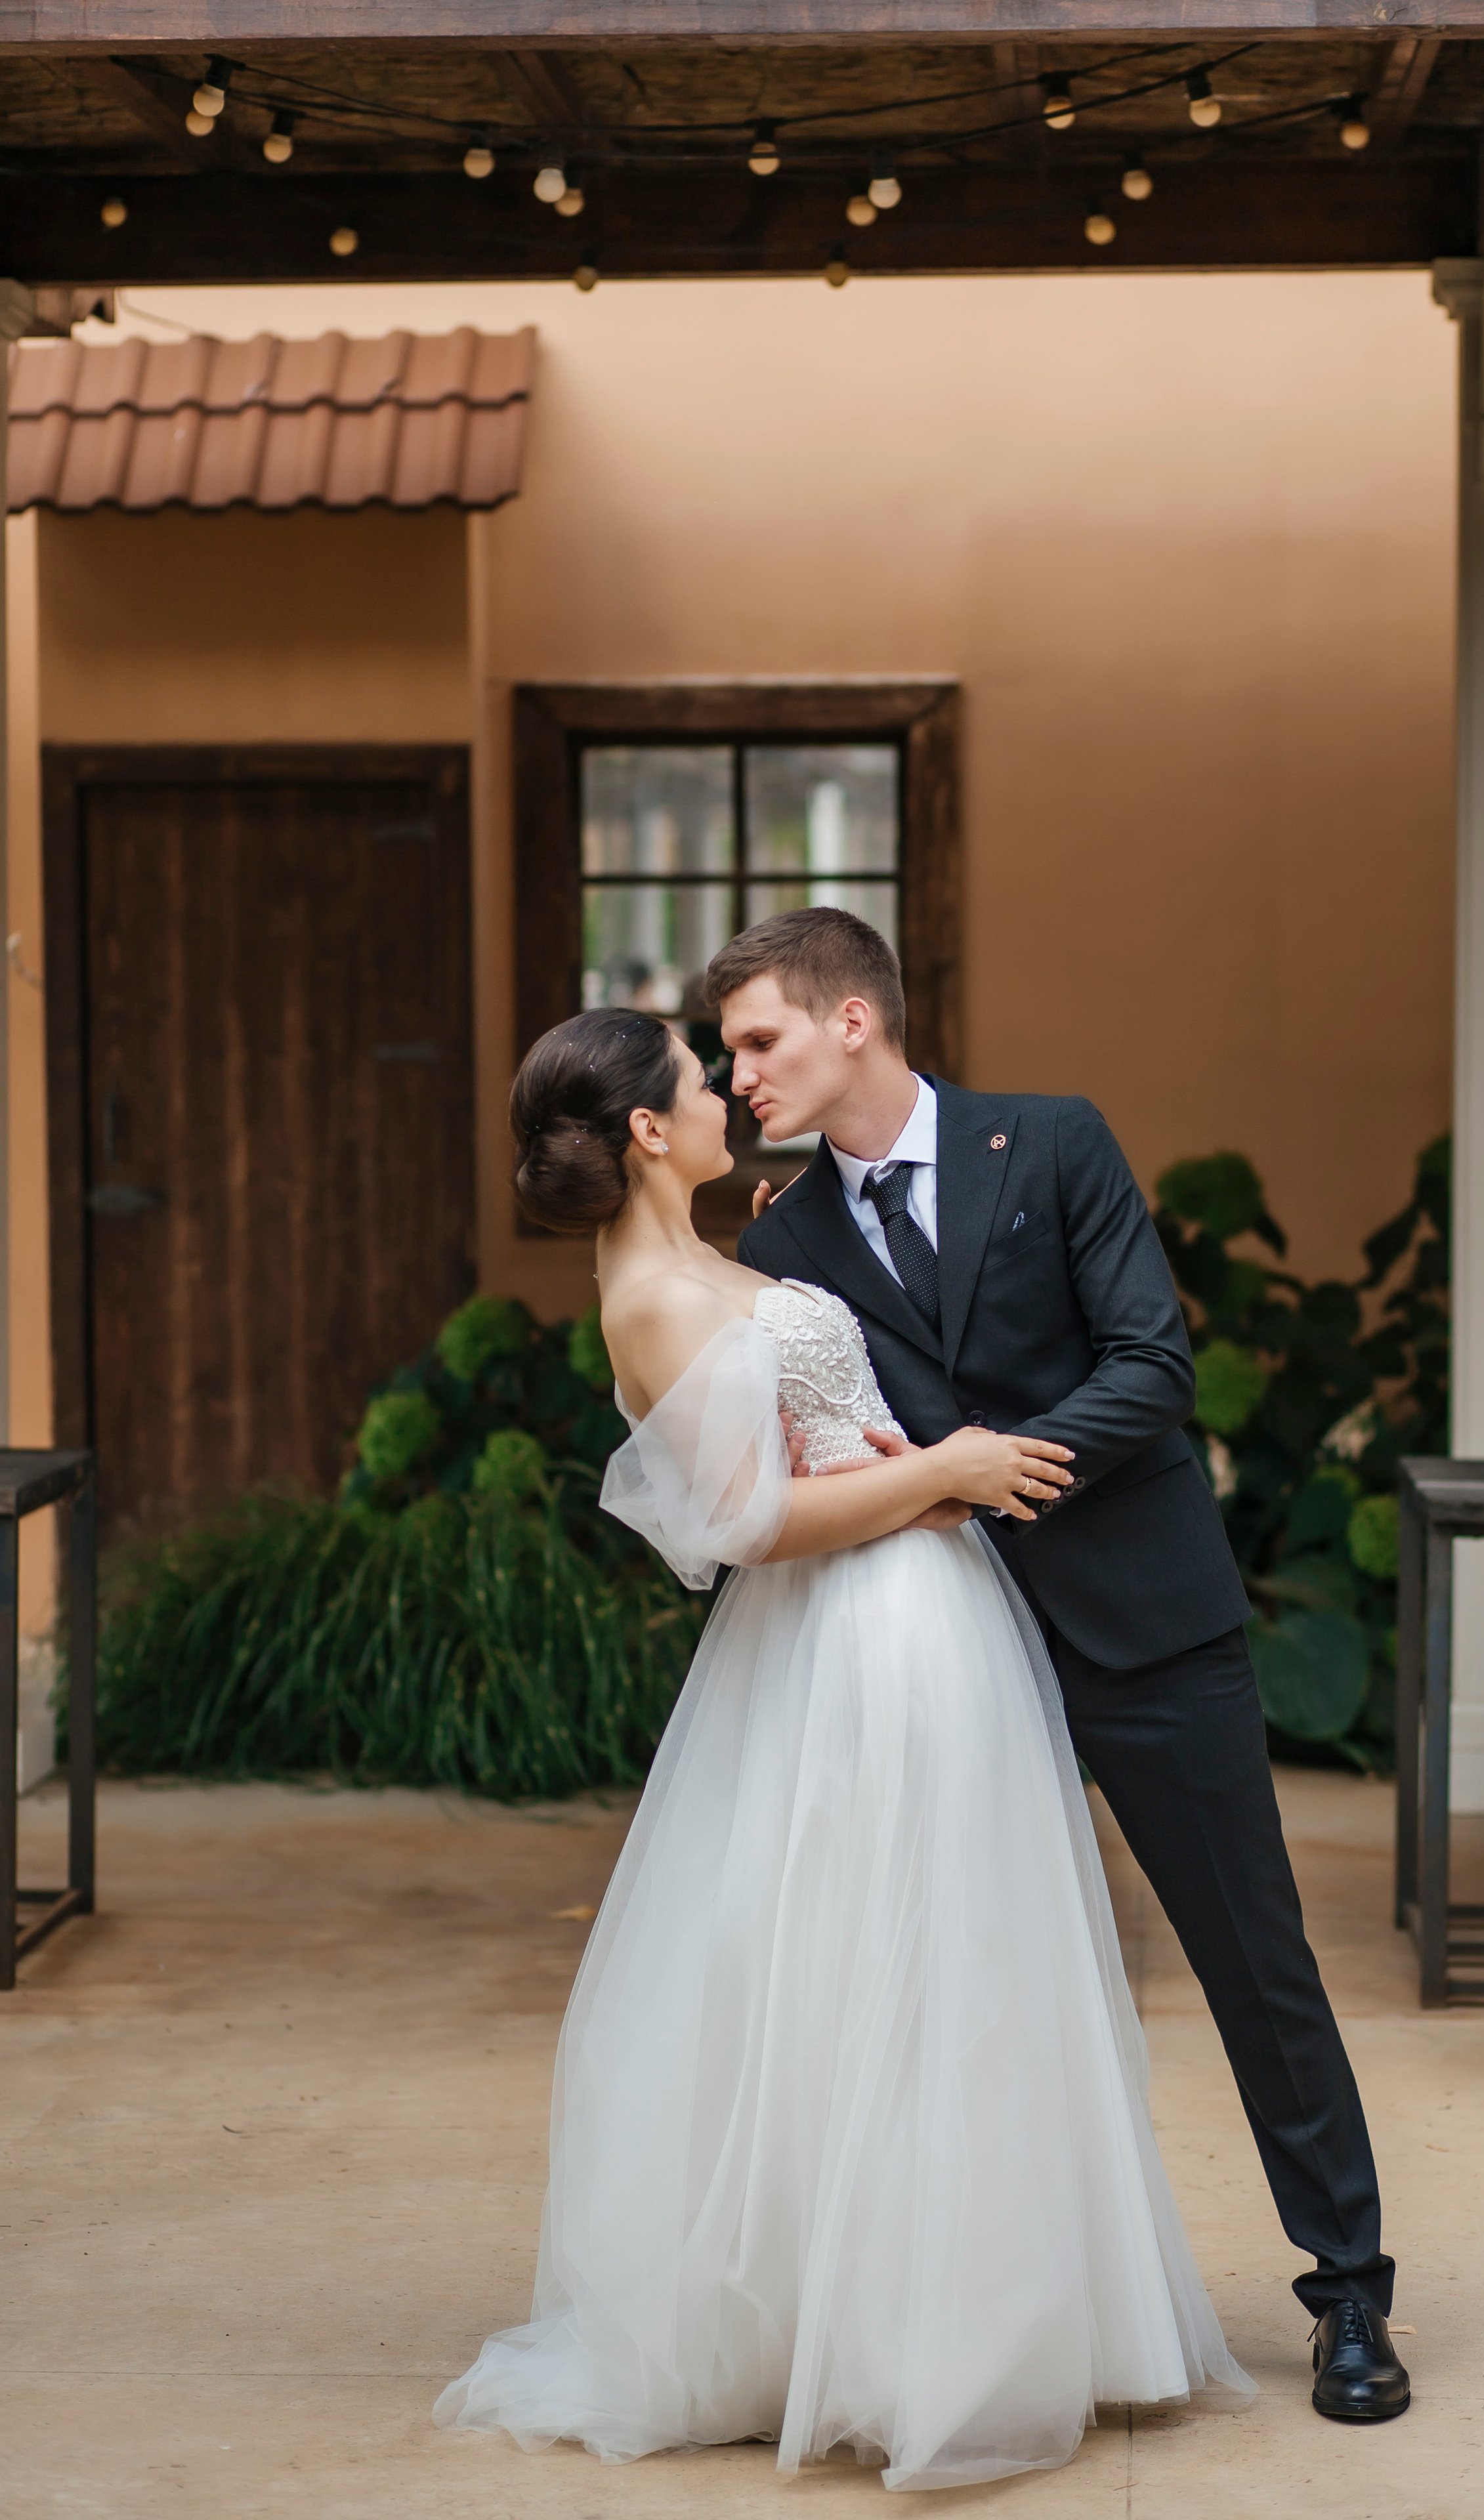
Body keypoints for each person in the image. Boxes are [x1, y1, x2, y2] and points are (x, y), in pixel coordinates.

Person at [435, 1003, 1255, 2488]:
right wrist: (939, 1471)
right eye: (701, 1080)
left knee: (958, 1969)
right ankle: (896, 2338)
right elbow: (744, 1527)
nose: (726, 1094)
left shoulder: (712, 1252)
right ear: (642, 1130)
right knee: (887, 1973)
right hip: (859, 1642)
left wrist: (899, 1468)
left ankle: (981, 2309)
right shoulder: (651, 1296)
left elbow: (804, 1434)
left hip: (920, 1613)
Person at [721, 906, 1410, 2428]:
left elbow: (1151, 1365)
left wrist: (982, 1471)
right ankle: (981, 2318)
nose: (738, 1076)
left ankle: (1348, 2293)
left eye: (757, 1039)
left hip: (1144, 1624)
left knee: (1254, 1960)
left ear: (854, 1022)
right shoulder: (777, 1243)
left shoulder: (1046, 1143)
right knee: (950, 1993)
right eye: (723, 1053)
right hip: (935, 1652)